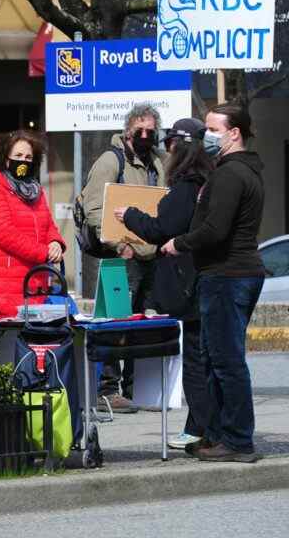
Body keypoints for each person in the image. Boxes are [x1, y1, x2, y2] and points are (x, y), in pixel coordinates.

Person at [161, 103, 265, 463]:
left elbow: (214, 230)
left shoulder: (230, 175)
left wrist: (179, 243)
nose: (206, 136)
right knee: (213, 359)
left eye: (213, 129)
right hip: (228, 274)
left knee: (225, 360)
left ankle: (237, 440)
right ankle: (218, 434)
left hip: (227, 275)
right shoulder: (235, 171)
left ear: (234, 133)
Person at [114, 117, 215, 450]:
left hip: (186, 285)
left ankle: (200, 428)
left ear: (177, 147)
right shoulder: (206, 181)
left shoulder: (187, 186)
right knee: (205, 358)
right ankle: (203, 426)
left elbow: (162, 229)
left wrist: (129, 215)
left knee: (195, 361)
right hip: (200, 281)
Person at [82, 103, 166, 413]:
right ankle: (108, 390)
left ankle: (135, 389)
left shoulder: (158, 162)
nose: (145, 135)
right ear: (128, 130)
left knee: (142, 326)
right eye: (140, 130)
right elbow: (93, 209)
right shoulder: (110, 160)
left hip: (152, 256)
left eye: (150, 131)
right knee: (115, 323)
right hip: (121, 256)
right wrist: (118, 245)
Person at [0, 130, 65, 318]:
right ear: (6, 159)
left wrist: (55, 242)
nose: (24, 161)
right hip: (2, 289)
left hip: (32, 285)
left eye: (29, 157)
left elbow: (48, 225)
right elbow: (4, 233)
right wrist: (43, 253)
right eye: (18, 156)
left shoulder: (34, 189)